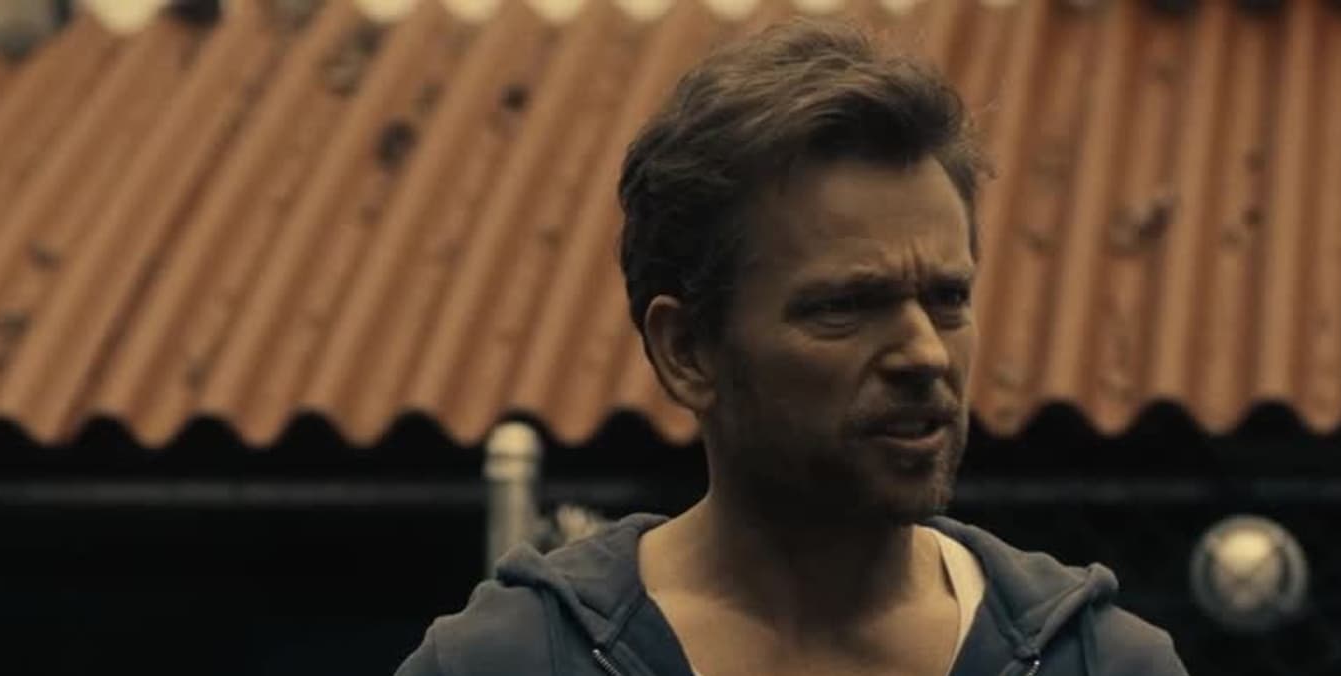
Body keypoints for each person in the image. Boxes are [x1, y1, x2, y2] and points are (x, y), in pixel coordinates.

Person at [397, 18, 1188, 676]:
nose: (925, 353)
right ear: (687, 351)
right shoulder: (513, 661)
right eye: (846, 306)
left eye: (948, 298)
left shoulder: (1100, 663)